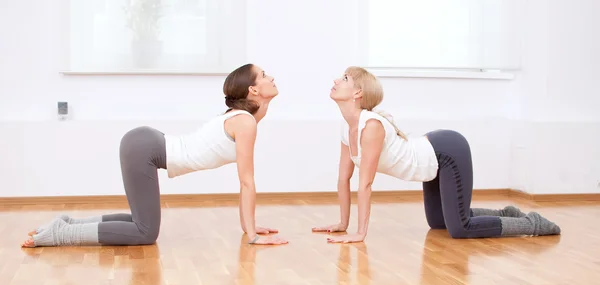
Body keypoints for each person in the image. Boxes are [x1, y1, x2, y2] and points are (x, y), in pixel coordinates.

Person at [23, 64, 288, 247]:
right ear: (253, 89)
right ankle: (60, 235)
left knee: (142, 223)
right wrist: (252, 235)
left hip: (144, 144)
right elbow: (246, 181)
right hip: (145, 149)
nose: (271, 78)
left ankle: (66, 223)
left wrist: (249, 228)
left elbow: (244, 182)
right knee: (145, 232)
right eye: (264, 75)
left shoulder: (243, 119)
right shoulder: (244, 122)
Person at [312, 66, 561, 243]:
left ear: (358, 93)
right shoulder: (347, 127)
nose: (336, 80)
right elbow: (344, 179)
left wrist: (360, 233)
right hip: (431, 160)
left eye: (344, 78)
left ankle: (532, 224)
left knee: (460, 228)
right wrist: (342, 224)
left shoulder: (371, 126)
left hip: (447, 152)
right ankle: (507, 213)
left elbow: (365, 184)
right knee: (439, 223)